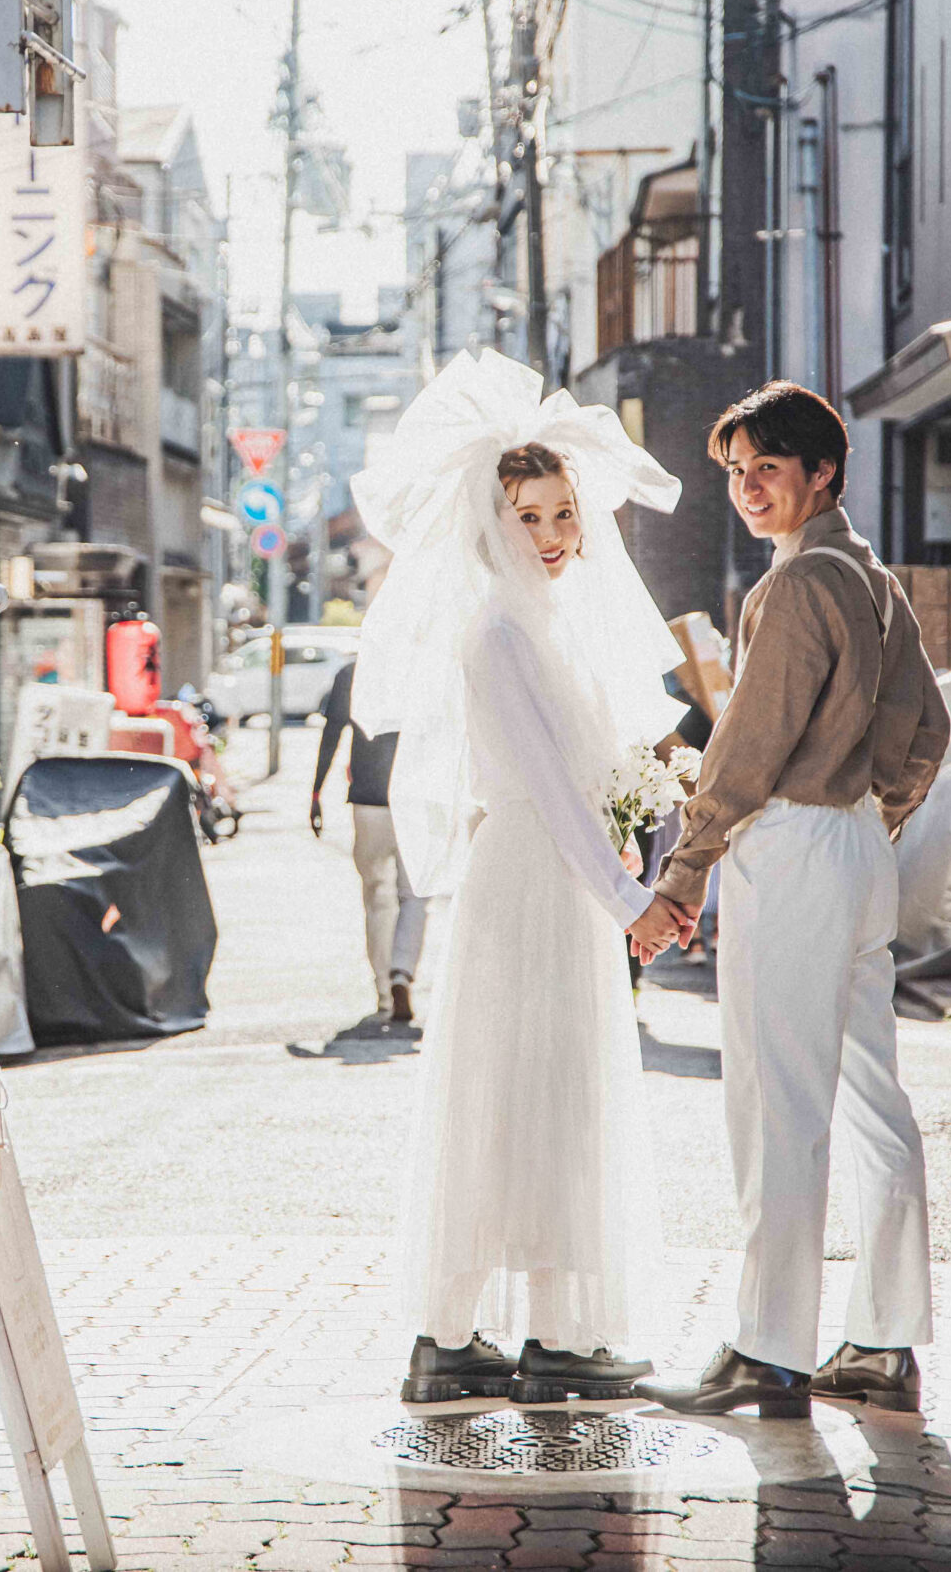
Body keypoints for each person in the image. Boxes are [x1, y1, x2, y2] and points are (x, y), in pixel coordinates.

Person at [351, 349, 688, 1406]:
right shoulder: (493, 628)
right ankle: (459, 1338)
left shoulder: (551, 622)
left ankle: (548, 1335)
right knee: (516, 1095)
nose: (548, 536)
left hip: (560, 878)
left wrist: (635, 839)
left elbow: (585, 779)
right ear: (487, 521)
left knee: (553, 1097)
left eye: (559, 513)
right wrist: (632, 899)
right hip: (528, 880)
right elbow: (543, 787)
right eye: (527, 516)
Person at [633, 380, 946, 1420]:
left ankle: (768, 1350)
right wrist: (873, 817)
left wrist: (684, 871)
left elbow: (745, 747)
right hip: (855, 843)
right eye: (733, 471)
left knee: (778, 1104)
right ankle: (885, 1341)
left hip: (799, 844)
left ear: (822, 472)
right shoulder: (869, 577)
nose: (747, 487)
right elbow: (930, 728)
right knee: (869, 1100)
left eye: (767, 466)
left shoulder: (797, 584)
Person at [310, 658, 427, 1024]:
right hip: (416, 800)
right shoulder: (423, 667)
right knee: (416, 893)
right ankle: (401, 974)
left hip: (368, 800)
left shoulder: (352, 673)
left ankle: (383, 993)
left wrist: (315, 792)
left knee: (378, 898)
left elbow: (332, 734)